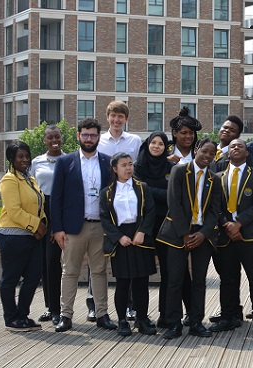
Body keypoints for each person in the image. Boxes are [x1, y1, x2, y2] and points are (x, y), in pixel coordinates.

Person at [51, 118, 117, 332]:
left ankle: (102, 314)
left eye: (93, 135)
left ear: (99, 137)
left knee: (99, 272)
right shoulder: (65, 162)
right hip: (72, 228)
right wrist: (58, 229)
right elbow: (56, 198)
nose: (89, 139)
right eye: (85, 135)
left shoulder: (108, 162)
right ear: (78, 136)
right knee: (69, 272)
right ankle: (65, 316)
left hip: (100, 227)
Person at [157, 138, 222, 339]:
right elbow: (174, 203)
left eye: (212, 154)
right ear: (196, 150)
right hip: (178, 233)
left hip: (202, 234)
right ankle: (173, 323)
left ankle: (196, 322)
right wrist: (184, 233)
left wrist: (203, 234)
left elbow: (215, 211)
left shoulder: (214, 179)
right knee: (175, 279)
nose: (208, 156)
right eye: (205, 151)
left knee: (199, 281)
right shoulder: (179, 171)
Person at [211, 139, 253, 335]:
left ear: (247, 153)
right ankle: (228, 316)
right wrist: (227, 224)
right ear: (227, 153)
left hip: (250, 235)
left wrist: (239, 224)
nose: (235, 148)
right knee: (227, 278)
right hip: (225, 235)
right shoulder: (217, 177)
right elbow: (215, 206)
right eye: (232, 146)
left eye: (240, 146)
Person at [99, 153, 157, 336]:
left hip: (140, 236)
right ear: (115, 169)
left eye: (130, 164)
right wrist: (118, 237)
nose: (128, 168)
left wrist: (142, 232)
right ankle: (122, 320)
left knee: (141, 281)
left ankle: (142, 318)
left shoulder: (142, 187)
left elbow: (150, 211)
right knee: (123, 283)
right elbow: (105, 219)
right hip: (121, 239)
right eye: (123, 165)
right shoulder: (107, 193)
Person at [96, 100, 141, 321]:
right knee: (97, 260)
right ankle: (93, 304)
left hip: (128, 202)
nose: (116, 120)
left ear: (126, 119)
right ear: (107, 117)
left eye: (121, 116)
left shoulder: (134, 141)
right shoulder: (99, 141)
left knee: (130, 264)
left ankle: (131, 307)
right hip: (106, 199)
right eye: (113, 116)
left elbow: (137, 170)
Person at [0, 141, 47, 331]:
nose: (25, 159)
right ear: (11, 159)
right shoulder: (9, 180)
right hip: (13, 236)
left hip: (31, 236)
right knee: (11, 278)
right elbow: (14, 211)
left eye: (27, 156)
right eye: (20, 156)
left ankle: (23, 315)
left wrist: (42, 226)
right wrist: (36, 226)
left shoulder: (29, 179)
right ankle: (11, 318)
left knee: (34, 276)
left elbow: (38, 206)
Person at [133, 131, 181, 328]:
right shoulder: (138, 166)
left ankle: (166, 315)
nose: (157, 146)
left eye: (161, 144)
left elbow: (173, 196)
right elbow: (136, 192)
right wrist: (159, 192)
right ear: (148, 144)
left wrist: (148, 190)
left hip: (166, 225)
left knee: (168, 273)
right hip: (143, 226)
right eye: (153, 142)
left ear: (166, 148)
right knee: (141, 273)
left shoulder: (172, 168)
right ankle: (141, 317)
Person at [30, 125, 65, 325]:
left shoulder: (69, 160)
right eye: (50, 137)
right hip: (41, 213)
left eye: (57, 137)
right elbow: (33, 188)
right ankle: (49, 307)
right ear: (45, 140)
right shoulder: (37, 162)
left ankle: (58, 310)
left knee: (54, 262)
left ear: (62, 138)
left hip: (59, 212)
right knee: (44, 263)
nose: (54, 140)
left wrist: (58, 225)